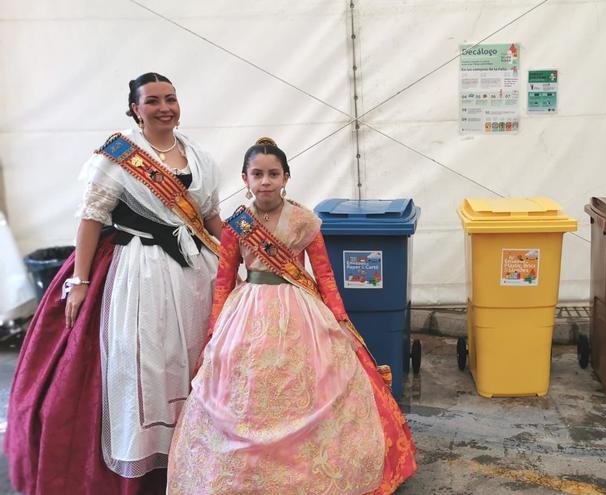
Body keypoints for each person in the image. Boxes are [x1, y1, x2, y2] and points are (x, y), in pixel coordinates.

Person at [4, 72, 223, 494]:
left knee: (192, 359)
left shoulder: (197, 155)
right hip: (134, 272)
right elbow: (91, 218)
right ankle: (143, 468)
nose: (165, 107)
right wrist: (80, 280)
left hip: (194, 271)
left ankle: (191, 452)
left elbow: (210, 217)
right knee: (143, 360)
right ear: (135, 109)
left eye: (171, 98)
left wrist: (239, 253)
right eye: (153, 100)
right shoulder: (117, 155)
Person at [166, 138, 417, 494]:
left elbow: (325, 275)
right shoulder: (237, 225)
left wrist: (341, 319)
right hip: (247, 311)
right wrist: (214, 328)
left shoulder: (304, 220)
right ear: (244, 178)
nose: (265, 181)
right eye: (257, 174)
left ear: (286, 177)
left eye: (273, 173)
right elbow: (223, 279)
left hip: (299, 314)